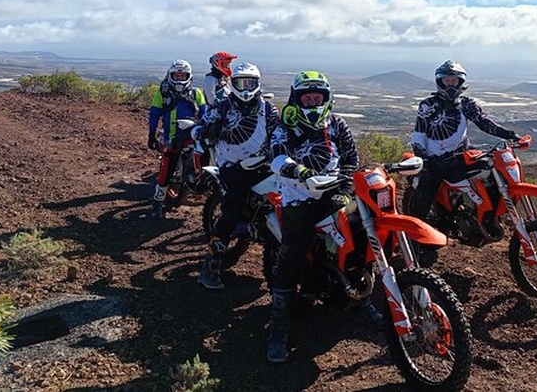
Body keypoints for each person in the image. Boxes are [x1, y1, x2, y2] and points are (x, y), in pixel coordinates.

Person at [265, 70, 382, 364]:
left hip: (332, 194)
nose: (313, 101)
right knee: (290, 256)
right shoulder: (286, 125)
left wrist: (344, 185)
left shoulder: (337, 124)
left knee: (360, 234)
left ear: (326, 99)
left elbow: (351, 157)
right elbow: (277, 156)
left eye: (318, 97)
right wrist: (300, 171)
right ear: (297, 98)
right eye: (308, 97)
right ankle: (278, 327)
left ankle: (362, 298)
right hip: (299, 198)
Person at [196, 62, 278, 290]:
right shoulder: (223, 105)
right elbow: (204, 122)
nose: (245, 87)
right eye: (240, 82)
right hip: (233, 165)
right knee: (231, 212)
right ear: (232, 83)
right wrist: (206, 130)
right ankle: (209, 268)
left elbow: (280, 133)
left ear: (257, 83)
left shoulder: (268, 109)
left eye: (249, 83)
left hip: (266, 163)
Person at [407, 59, 519, 221]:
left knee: (490, 168)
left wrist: (509, 134)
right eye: (447, 80)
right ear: (440, 82)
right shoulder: (428, 105)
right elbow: (419, 135)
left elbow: (484, 122)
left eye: (454, 81)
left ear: (461, 82)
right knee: (426, 193)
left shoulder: (467, 104)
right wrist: (424, 160)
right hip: (434, 160)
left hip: (460, 155)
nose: (451, 84)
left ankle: (483, 215)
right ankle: (414, 237)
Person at [147, 59, 207, 219]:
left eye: (183, 75)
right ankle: (157, 203)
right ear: (170, 76)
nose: (180, 79)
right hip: (171, 137)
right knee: (167, 169)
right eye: (177, 75)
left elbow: (205, 113)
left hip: (193, 136)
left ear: (189, 76)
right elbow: (154, 114)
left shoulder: (196, 93)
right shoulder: (163, 92)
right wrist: (151, 134)